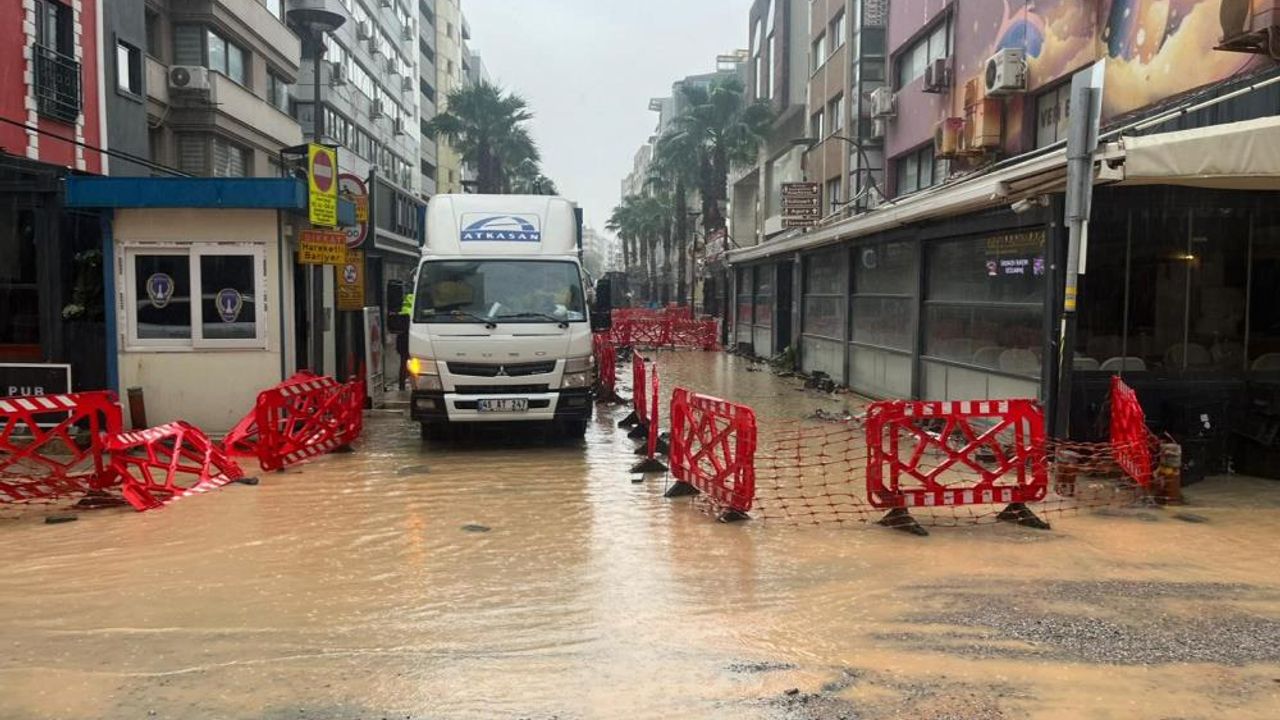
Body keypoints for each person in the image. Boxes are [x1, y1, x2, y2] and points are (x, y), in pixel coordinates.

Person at [396, 290, 414, 391]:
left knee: (403, 363)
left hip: (402, 340)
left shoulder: (403, 308)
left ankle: (402, 385)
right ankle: (413, 384)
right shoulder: (417, 306)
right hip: (411, 339)